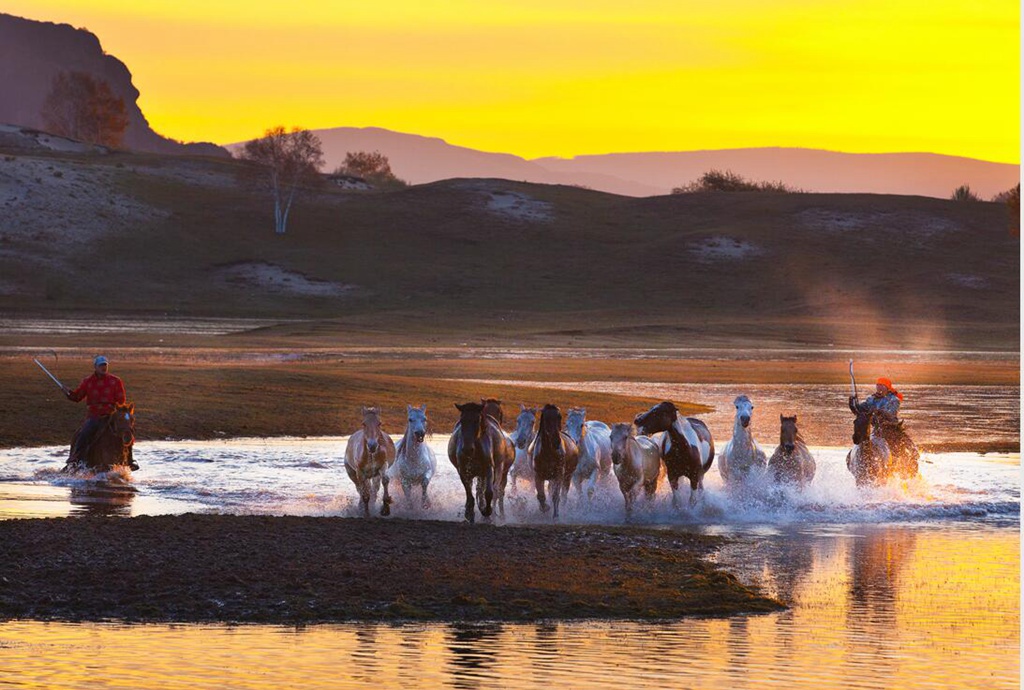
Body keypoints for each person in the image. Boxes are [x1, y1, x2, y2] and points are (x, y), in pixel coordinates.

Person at [63, 355, 138, 470]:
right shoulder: (88, 382)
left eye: (105, 365)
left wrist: (116, 409)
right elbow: (77, 397)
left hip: (111, 415)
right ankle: (76, 458)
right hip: (94, 415)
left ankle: (129, 460)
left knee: (126, 430)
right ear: (95, 367)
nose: (103, 368)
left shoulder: (115, 381)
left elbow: (121, 400)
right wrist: (68, 393)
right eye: (101, 365)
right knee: (84, 433)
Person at [849, 376, 918, 470]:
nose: (879, 387)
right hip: (877, 429)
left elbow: (889, 414)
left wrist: (876, 411)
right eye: (878, 385)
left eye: (882, 385)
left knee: (905, 448)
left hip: (891, 429)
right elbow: (860, 410)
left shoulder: (894, 400)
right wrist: (853, 403)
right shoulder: (871, 399)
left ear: (887, 388)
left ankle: (907, 463)